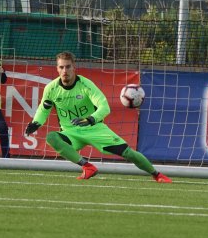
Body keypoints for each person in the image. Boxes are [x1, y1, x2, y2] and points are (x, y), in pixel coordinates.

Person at [24, 51, 171, 183]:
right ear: (57, 69)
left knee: (128, 153)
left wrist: (90, 119)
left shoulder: (86, 85)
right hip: (70, 132)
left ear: (74, 67)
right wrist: (36, 122)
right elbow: (44, 109)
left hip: (94, 128)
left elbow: (104, 106)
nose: (65, 71)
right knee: (52, 137)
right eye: (61, 67)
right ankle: (87, 166)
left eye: (68, 67)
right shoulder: (51, 88)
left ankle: (157, 174)